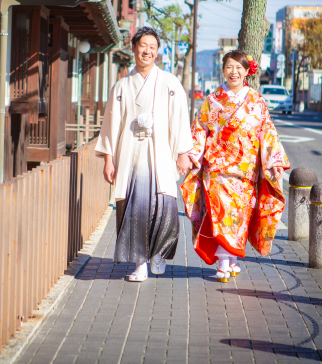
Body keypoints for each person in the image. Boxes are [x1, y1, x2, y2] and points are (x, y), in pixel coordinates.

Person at [181, 50, 290, 282]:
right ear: (223, 70)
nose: (234, 72)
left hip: (245, 171)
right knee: (222, 214)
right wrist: (192, 155)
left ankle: (231, 259)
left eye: (239, 67)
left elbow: (268, 132)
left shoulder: (257, 101)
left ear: (246, 72)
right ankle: (223, 261)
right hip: (218, 170)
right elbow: (199, 129)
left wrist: (274, 161)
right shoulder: (212, 101)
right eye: (229, 67)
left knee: (239, 217)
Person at [95, 27, 193, 282]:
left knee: (164, 207)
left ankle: (158, 254)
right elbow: (111, 124)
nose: (147, 51)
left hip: (160, 154)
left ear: (157, 51)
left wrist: (183, 152)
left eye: (152, 46)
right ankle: (140, 263)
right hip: (130, 156)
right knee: (134, 209)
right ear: (134, 48)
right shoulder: (122, 86)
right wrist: (108, 159)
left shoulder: (170, 83)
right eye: (143, 45)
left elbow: (181, 118)